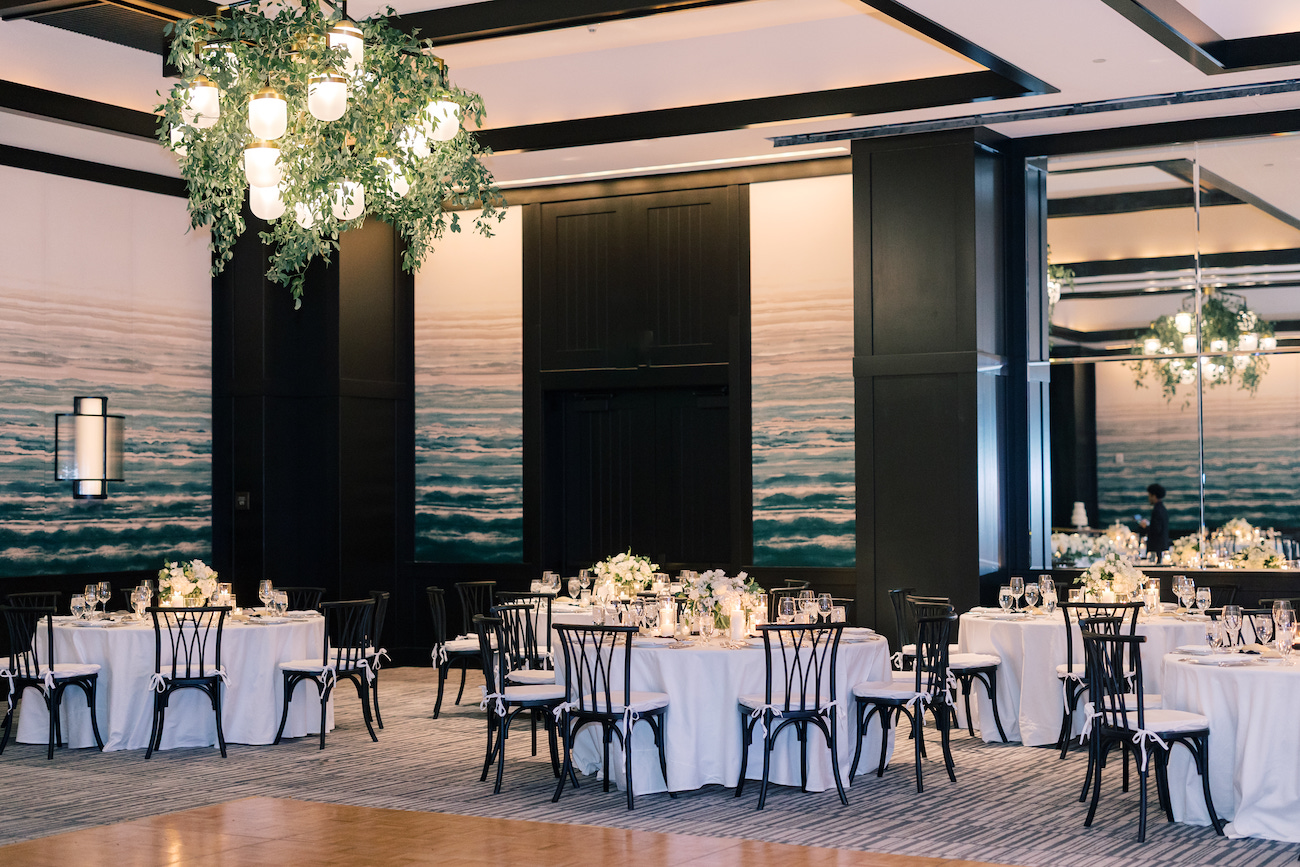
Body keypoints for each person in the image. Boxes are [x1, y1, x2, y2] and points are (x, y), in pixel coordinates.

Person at [1137, 483, 1170, 561]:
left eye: (1149, 495)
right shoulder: (1162, 508)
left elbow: (1156, 530)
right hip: (1161, 548)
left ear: (1154, 496)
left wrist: (1146, 527)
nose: (1148, 498)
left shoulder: (1157, 510)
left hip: (1157, 549)